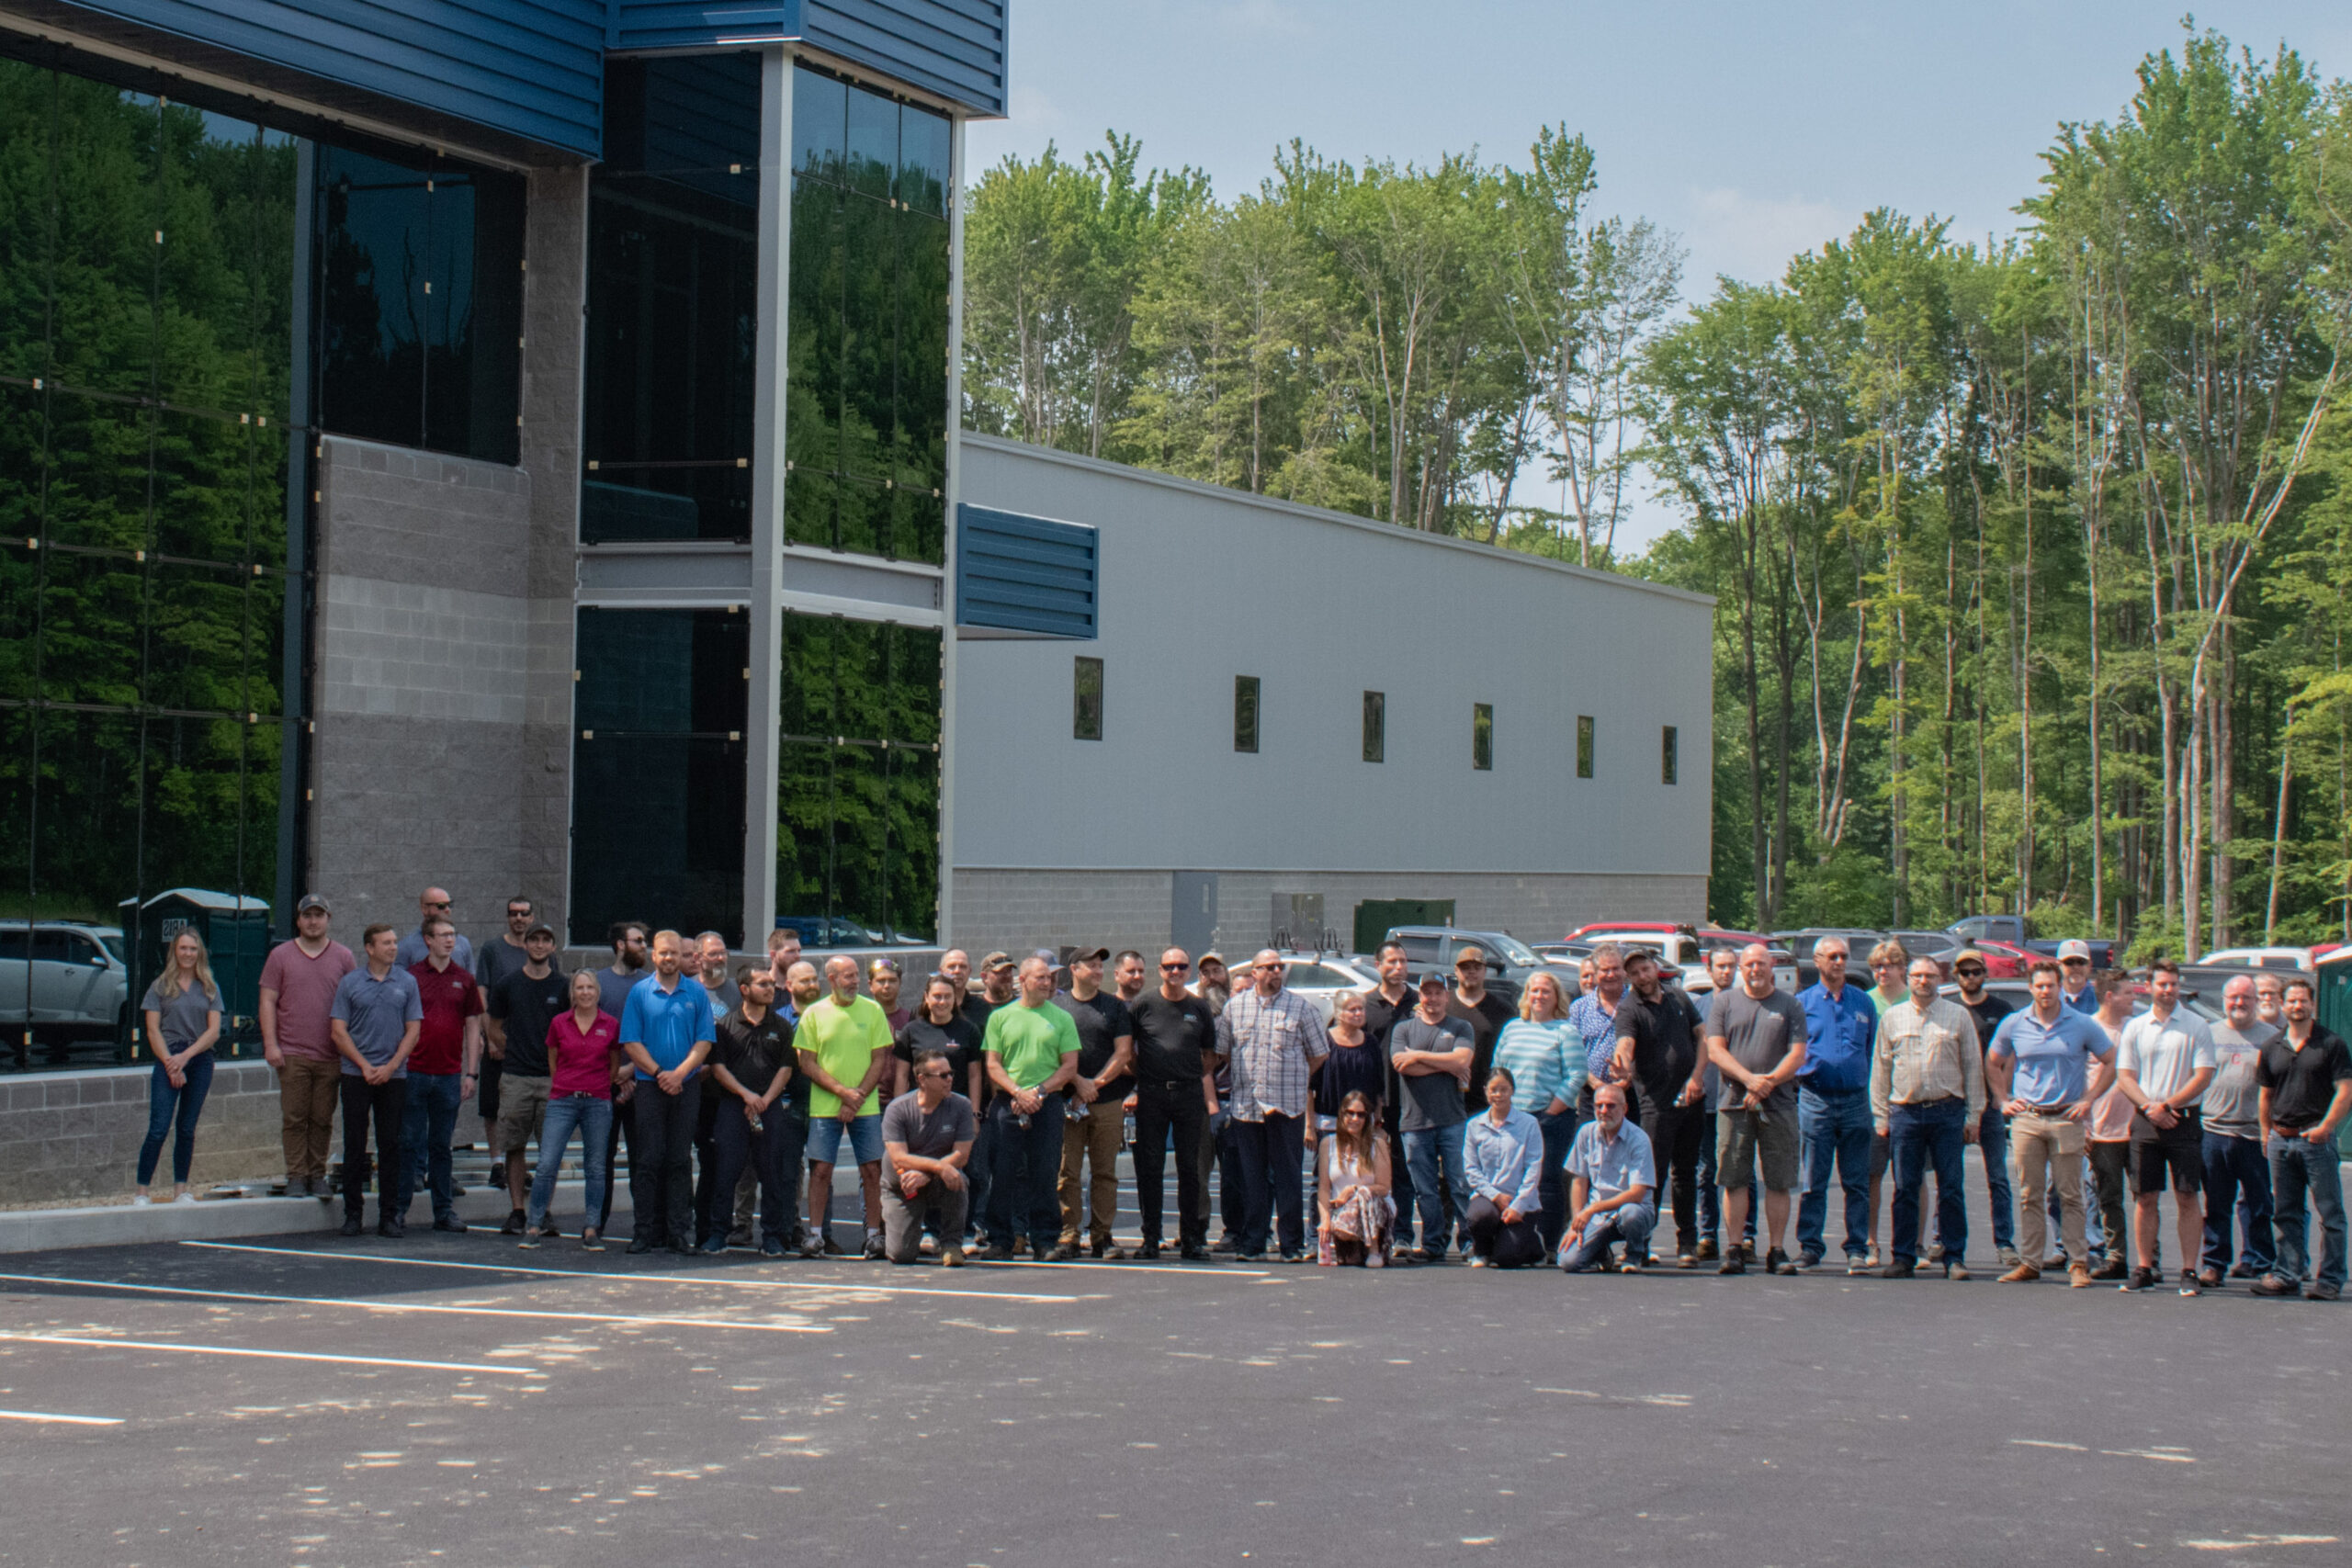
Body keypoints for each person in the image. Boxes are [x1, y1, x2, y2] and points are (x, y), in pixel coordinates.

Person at [1987, 959, 2116, 1287]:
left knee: (2069, 1194)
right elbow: (1993, 1061)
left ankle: (2078, 1264)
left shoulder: (2081, 1023)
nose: (2045, 991)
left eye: (2051, 985)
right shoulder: (2015, 1023)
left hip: (2065, 1119)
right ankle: (2030, 1262)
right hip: (2027, 1119)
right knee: (2030, 1193)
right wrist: (2003, 1099)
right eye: (2039, 985)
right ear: (2031, 988)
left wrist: (2088, 1100)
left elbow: (2111, 1060)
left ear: (2060, 987)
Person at [1871, 953, 1984, 1280]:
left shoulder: (1957, 1016)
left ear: (1940, 979)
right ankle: (1903, 1256)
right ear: (1909, 978)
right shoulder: (1893, 1018)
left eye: (1931, 976)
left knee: (1951, 1186)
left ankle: (1954, 1257)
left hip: (1947, 1111)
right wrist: (1881, 1116)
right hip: (1905, 1112)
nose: (1924, 981)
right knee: (1905, 1187)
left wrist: (1974, 1115)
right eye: (1918, 976)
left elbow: (1973, 1067)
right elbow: (1881, 1069)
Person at [1216, 951, 1330, 1262]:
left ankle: (1291, 1244)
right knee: (1252, 1178)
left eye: (1279, 967)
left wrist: (1292, 1076)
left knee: (1288, 1177)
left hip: (1287, 1106)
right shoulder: (1234, 1008)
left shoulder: (1301, 1008)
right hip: (1246, 1107)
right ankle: (1253, 1242)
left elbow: (1319, 1054)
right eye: (1269, 967)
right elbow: (1225, 1051)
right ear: (1255, 972)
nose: (1276, 971)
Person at [1705, 943, 1808, 1276]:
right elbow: (1716, 1051)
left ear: (1772, 966)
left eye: (1761, 964)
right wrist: (1750, 1080)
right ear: (1740, 967)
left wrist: (1768, 1083)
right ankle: (1734, 1248)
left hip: (1779, 1105)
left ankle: (1776, 1251)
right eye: (1748, 964)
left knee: (1778, 1181)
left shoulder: (1790, 1005)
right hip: (1733, 1104)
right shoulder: (1724, 1003)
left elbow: (1797, 1054)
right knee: (1734, 1179)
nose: (1755, 970)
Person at [2116, 959, 2216, 1295]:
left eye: (2173, 983)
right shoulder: (2135, 1027)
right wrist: (2149, 1108)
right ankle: (2144, 1268)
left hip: (2183, 1121)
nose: (2168, 989)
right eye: (2162, 984)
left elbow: (2204, 1075)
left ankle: (2189, 1270)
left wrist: (2168, 1106)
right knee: (2145, 1197)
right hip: (2146, 1121)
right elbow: (2125, 1076)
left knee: (2187, 1196)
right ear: (2150, 986)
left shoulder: (2196, 1025)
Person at [2252, 977, 2352, 1301]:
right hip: (2281, 1140)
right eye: (2292, 1001)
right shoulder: (2271, 1047)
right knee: (2286, 1212)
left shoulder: (2331, 1044)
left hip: (2316, 1141)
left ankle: (2331, 1279)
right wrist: (2266, 1133)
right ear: (2283, 1005)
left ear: (2312, 1004)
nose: (2297, 1006)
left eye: (2303, 1001)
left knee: (2330, 1213)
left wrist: (2326, 1127)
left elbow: (2345, 1091)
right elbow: (2265, 1096)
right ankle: (2287, 1273)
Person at [618, 931, 716, 1256]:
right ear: (653, 956)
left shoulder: (697, 993)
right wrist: (660, 1073)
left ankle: (678, 1232)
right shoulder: (639, 993)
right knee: (647, 1160)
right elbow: (631, 1041)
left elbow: (704, 1041)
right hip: (649, 1088)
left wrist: (680, 1074)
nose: (669, 958)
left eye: (675, 953)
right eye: (663, 953)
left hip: (686, 1088)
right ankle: (644, 1232)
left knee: (679, 1160)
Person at [1609, 948, 1708, 1268]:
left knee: (1687, 1174)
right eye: (1635, 973)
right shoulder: (1629, 1008)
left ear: (1655, 968)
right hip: (1656, 1105)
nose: (1642, 976)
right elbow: (1625, 1042)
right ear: (1629, 978)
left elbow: (1703, 1037)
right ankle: (1641, 1243)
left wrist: (1697, 1077)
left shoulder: (1679, 998)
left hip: (1691, 1100)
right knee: (1653, 1176)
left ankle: (1687, 1244)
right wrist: (1622, 1064)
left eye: (1645, 969)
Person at [980, 955, 1080, 1261]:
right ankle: (1001, 1239)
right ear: (1021, 981)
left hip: (1047, 1103)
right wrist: (1017, 1092)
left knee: (1045, 1172)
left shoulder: (1062, 1018)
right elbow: (993, 1064)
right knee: (1004, 1173)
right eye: (1040, 978)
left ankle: (1045, 1240)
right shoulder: (1000, 1017)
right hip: (1008, 1103)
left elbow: (1069, 1066)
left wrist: (1038, 1092)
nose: (1047, 983)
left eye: (1049, 978)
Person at [258, 895, 356, 1199]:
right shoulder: (280, 955)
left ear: (328, 919)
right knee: (295, 1117)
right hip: (292, 1052)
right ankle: (296, 1176)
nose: (313, 921)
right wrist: (271, 1044)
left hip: (331, 1054)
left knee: (322, 1118)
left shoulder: (343, 957)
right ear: (298, 920)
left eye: (319, 915)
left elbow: (356, 1002)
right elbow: (267, 1001)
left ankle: (317, 1175)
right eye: (308, 915)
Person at [797, 954, 894, 1258]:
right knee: (821, 1170)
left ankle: (875, 1236)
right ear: (832, 979)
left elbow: (880, 1057)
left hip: (864, 1107)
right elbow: (806, 1063)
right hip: (825, 1107)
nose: (854, 981)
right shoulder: (813, 1014)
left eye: (856, 976)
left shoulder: (873, 1010)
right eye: (847, 976)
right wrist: (843, 1093)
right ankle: (815, 1236)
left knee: (872, 1169)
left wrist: (858, 1096)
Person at [704, 964, 803, 1257]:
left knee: (771, 1173)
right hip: (733, 1107)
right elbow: (718, 1068)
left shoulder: (781, 1027)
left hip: (770, 1107)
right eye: (763, 984)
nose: (770, 989)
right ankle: (718, 1234)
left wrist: (765, 1099)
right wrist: (746, 1096)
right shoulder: (725, 1026)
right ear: (744, 990)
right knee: (726, 1171)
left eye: (772, 984)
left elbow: (786, 1069)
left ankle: (772, 1236)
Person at [331, 924, 422, 1237]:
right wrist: (365, 1065)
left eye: (395, 942)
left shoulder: (407, 982)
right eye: (386, 943)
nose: (393, 947)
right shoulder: (351, 983)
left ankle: (389, 1215)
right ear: (369, 948)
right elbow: (338, 1031)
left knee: (391, 1145)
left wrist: (392, 1065)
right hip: (356, 1075)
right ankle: (353, 1214)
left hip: (394, 1076)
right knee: (355, 1144)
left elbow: (413, 1030)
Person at [1794, 935, 1877, 1273]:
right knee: (1814, 1180)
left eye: (1843, 956)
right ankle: (1810, 1246)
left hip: (1856, 1101)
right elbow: (1795, 1050)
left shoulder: (1863, 1003)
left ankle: (1856, 1247)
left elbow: (1869, 1051)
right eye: (1832, 956)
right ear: (1817, 960)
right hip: (1816, 1100)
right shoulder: (1802, 1004)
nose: (1839, 962)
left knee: (1856, 1180)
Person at [1131, 948, 1220, 1259]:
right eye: (1169, 966)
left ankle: (1192, 1239)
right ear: (1161, 970)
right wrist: (1141, 1078)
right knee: (1150, 1167)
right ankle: (1151, 1238)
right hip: (1153, 1094)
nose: (1176, 971)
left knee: (1190, 1170)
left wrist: (1191, 1074)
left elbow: (1211, 1053)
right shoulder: (1144, 1004)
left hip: (1188, 1094)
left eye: (1182, 966)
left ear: (1187, 971)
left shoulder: (1199, 1007)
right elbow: (1128, 1050)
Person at [523, 969, 620, 1250]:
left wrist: (600, 1085)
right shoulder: (559, 1023)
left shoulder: (610, 1024)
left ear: (597, 992)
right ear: (572, 993)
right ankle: (534, 1224)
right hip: (563, 1099)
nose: (585, 992)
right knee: (547, 1164)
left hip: (597, 1101)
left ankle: (591, 1228)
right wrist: (566, 1084)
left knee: (596, 1167)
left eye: (590, 987)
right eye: (580, 988)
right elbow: (553, 1059)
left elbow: (614, 1064)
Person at [399, 917, 483, 1234]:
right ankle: (398, 1210)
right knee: (408, 1142)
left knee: (441, 1145)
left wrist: (471, 1072)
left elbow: (474, 1025)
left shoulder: (465, 979)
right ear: (427, 941)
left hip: (449, 1074)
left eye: (453, 935)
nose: (450, 941)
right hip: (414, 1072)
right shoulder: (410, 978)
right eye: (443, 935)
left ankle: (443, 1211)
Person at [485, 921, 566, 1235]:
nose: (540, 945)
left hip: (552, 1079)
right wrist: (514, 1049)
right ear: (526, 945)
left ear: (553, 947)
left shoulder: (563, 986)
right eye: (534, 940)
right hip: (515, 1077)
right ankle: (517, 1210)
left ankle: (544, 1211)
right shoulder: (507, 984)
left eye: (546, 940)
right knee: (514, 1145)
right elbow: (493, 1027)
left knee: (551, 1150)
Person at [132, 929, 223, 1205]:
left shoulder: (209, 986)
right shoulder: (160, 986)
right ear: (174, 952)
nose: (187, 954)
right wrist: (172, 1065)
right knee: (159, 1127)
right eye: (183, 948)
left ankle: (180, 1189)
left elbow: (214, 1031)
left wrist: (186, 1058)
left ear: (200, 953)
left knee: (186, 1127)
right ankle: (142, 1191)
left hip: (199, 1058)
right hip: (167, 1056)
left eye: (193, 949)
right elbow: (152, 1030)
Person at [1056, 946, 1135, 1259]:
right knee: (1067, 1171)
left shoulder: (1115, 1008)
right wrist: (1077, 1083)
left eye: (1101, 966)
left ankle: (1103, 1236)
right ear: (1074, 970)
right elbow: (1054, 1055)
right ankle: (1069, 1235)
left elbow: (1123, 1053)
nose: (1099, 971)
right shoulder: (1058, 1007)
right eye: (1092, 966)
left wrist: (1096, 1084)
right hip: (1066, 1101)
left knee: (1105, 1172)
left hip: (1107, 1101)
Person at [1492, 971, 1579, 1254]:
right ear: (1526, 996)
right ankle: (1519, 1239)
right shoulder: (1512, 1028)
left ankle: (1551, 1244)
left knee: (1548, 1182)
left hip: (1550, 1117)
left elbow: (1577, 1074)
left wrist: (1552, 1111)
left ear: (1556, 997)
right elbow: (1499, 1069)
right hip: (1513, 1117)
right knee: (1512, 1179)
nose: (1539, 996)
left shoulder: (1565, 1031)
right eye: (1534, 990)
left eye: (1545, 991)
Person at [2199, 975, 2277, 1287]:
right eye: (2233, 997)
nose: (2239, 1003)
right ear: (2224, 1000)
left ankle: (2258, 1261)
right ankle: (2214, 1264)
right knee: (2216, 1203)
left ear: (2256, 1001)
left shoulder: (2271, 1037)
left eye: (2246, 997)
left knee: (2260, 1204)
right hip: (2213, 1129)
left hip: (2254, 1133)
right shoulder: (2209, 1033)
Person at [1390, 974, 1474, 1262]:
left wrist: (1418, 1056)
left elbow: (1462, 1061)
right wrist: (1444, 1064)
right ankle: (1433, 1245)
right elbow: (1402, 1066)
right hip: (1415, 1122)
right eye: (1427, 993)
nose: (1433, 998)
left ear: (1447, 997)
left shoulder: (1461, 1027)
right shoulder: (1403, 1030)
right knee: (1425, 1190)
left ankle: (1468, 1243)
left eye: (1439, 993)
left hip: (1452, 1120)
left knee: (1460, 1184)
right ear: (1420, 996)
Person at [1951, 949, 2022, 1270]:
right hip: (1954, 1104)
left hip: (1991, 1107)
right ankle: (1943, 1238)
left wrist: (2001, 1095)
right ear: (1956, 976)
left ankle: (2005, 1243)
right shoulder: (1949, 1009)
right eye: (1964, 973)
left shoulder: (2002, 1010)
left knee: (1997, 1178)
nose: (1970, 978)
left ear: (1985, 974)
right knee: (1949, 1177)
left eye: (1975, 972)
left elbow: (2010, 1056)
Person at [882, 1048, 977, 1265]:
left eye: (951, 1073)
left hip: (937, 1180)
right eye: (943, 1075)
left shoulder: (962, 1106)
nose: (950, 1079)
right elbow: (899, 1158)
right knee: (901, 1255)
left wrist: (931, 1172)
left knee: (956, 1176)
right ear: (922, 1079)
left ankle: (952, 1245)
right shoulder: (898, 1109)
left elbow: (962, 1155)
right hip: (903, 1184)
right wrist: (937, 1168)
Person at [472, 897, 537, 1188]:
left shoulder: (540, 949)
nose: (519, 918)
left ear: (532, 917)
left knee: (526, 1107)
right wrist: (490, 1035)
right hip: (498, 1040)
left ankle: (520, 1165)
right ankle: (497, 1164)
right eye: (513, 913)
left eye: (524, 913)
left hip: (531, 1045)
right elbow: (481, 993)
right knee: (492, 1105)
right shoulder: (492, 949)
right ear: (507, 917)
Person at [1558, 1083, 1657, 1273]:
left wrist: (1593, 1208)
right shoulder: (1586, 1133)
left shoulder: (1639, 1139)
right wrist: (1576, 1222)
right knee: (1568, 1262)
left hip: (1631, 1210)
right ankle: (1600, 1252)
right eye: (1599, 1105)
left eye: (1611, 1106)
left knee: (1631, 1214)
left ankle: (1634, 1254)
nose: (1604, 1111)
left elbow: (1637, 1194)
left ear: (1625, 1108)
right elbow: (1579, 1181)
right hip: (1598, 1216)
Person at [594, 919, 652, 1237]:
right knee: (602, 1157)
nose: (645, 947)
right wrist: (614, 1075)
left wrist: (631, 1071)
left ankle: (644, 1227)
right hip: (603, 1086)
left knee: (642, 1160)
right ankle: (596, 1224)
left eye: (645, 942)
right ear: (620, 945)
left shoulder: (650, 985)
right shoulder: (597, 983)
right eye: (638, 941)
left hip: (643, 1084)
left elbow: (653, 1035)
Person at [1360, 942, 1421, 1240]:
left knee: (1406, 1173)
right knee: (1375, 1172)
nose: (1399, 967)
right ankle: (1373, 1233)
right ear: (1378, 966)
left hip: (1413, 1102)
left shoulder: (1419, 1003)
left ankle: (1404, 1236)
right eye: (1392, 962)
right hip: (1375, 1104)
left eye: (1403, 961)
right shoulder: (1366, 1005)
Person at [2079, 972, 2135, 1275]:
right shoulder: (2089, 1029)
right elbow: (2079, 1081)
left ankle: (2149, 1261)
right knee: (2108, 1198)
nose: (2134, 998)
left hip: (2138, 1128)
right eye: (2128, 993)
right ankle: (2116, 1257)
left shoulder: (2136, 1028)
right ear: (2110, 996)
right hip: (2101, 1129)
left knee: (2145, 1197)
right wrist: (2084, 1125)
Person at [1460, 1068, 1544, 1268]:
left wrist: (1518, 1205)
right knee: (1479, 1216)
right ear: (1485, 1091)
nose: (1498, 1095)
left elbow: (1533, 1168)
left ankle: (1533, 1245)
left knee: (1507, 1258)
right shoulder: (1474, 1125)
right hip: (1489, 1198)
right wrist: (1495, 1196)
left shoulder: (1529, 1124)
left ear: (1513, 1091)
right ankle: (1482, 1251)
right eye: (1493, 1090)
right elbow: (1471, 1169)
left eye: (1504, 1089)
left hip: (1520, 1201)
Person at [1860, 938, 1910, 1265]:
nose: (1882, 971)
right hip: (1874, 1100)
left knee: (1911, 1177)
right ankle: (1870, 1242)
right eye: (1877, 966)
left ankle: (1913, 1245)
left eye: (1888, 965)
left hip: (1910, 1100)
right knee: (1871, 1175)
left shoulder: (1913, 999)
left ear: (1902, 967)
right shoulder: (1866, 1002)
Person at [1315, 1089, 1395, 1266]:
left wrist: (1353, 1190)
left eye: (1361, 1115)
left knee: (1365, 1195)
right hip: (1343, 1212)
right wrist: (1325, 1220)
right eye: (1350, 1113)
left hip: (1374, 1209)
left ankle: (1375, 1250)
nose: (1355, 1119)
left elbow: (1384, 1187)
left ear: (1367, 1119)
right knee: (1351, 1261)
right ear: (1342, 1115)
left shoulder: (1377, 1145)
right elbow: (1323, 1188)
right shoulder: (1328, 1144)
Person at [1313, 989, 1388, 1165]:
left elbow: (1378, 1084)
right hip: (1329, 1122)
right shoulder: (1324, 1041)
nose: (1358, 1013)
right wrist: (1309, 1127)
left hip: (1362, 1122)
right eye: (1352, 1009)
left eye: (1361, 1009)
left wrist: (1377, 1117)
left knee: (1361, 1172)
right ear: (1339, 1013)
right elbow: (1310, 1086)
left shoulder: (1371, 1042)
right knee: (1325, 1174)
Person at [1448, 946, 1513, 1114]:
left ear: (1485, 971)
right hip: (1447, 1096)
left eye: (1477, 968)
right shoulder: (1443, 1004)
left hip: (1487, 1099)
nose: (1471, 972)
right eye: (1466, 968)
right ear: (1456, 971)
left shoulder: (1502, 1010)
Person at [1569, 942, 1629, 1117]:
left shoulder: (1636, 1004)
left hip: (1630, 1094)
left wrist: (1627, 1080)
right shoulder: (1579, 1008)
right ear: (1595, 974)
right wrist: (1596, 1084)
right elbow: (1572, 1056)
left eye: (1615, 969)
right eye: (1604, 970)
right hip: (1591, 1094)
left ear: (1624, 971)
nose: (1611, 975)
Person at [395, 886, 473, 971]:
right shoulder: (407, 946)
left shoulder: (462, 943)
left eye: (450, 905)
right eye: (441, 906)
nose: (447, 910)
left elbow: (470, 979)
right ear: (424, 909)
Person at [695, 933, 741, 1018]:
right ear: (697, 958)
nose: (720, 958)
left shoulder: (740, 992)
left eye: (723, 953)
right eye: (713, 954)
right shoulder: (686, 989)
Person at [2055, 939, 2098, 1014]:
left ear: (2089, 965)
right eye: (2069, 962)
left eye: (2081, 962)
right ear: (2059, 965)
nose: (2076, 967)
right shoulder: (2050, 997)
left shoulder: (2101, 999)